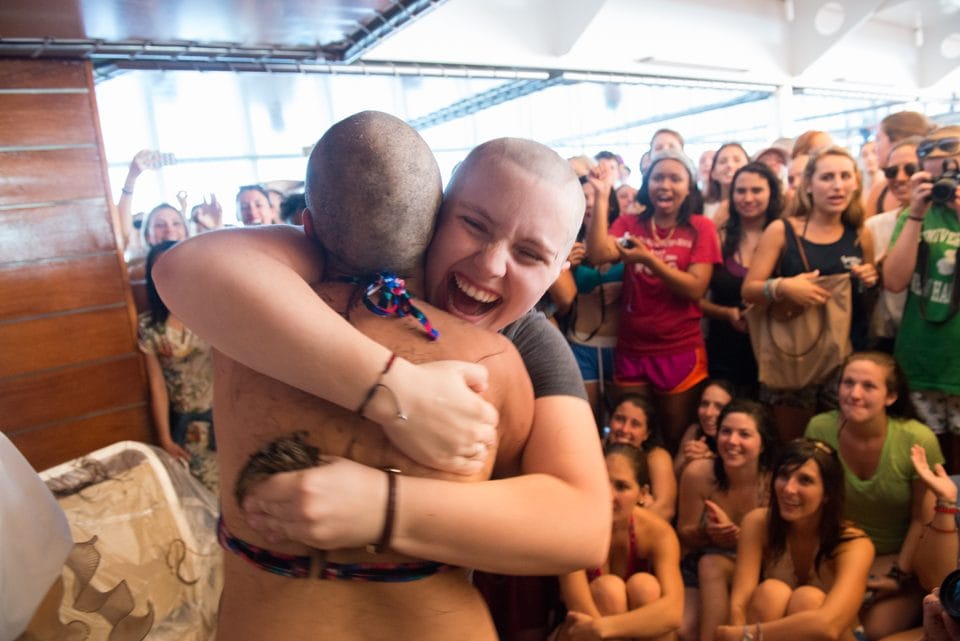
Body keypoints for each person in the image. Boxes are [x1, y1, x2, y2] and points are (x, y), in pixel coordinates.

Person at [156, 116, 610, 638]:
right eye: (474, 225)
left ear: (561, 269)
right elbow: (186, 268)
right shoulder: (323, 266)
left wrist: (380, 507)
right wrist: (397, 391)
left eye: (529, 255)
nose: (490, 265)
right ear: (437, 211)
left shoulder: (530, 343)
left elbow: (582, 525)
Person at [805, 352, 950, 640]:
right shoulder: (820, 428)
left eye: (869, 386)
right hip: (839, 553)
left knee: (876, 631)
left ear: (891, 396)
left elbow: (922, 518)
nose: (854, 394)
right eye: (848, 383)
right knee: (818, 615)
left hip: (898, 560)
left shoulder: (917, 439)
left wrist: (898, 574)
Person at [585, 148, 721, 452]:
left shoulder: (701, 227)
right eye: (658, 178)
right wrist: (600, 194)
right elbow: (598, 254)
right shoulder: (631, 224)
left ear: (689, 187)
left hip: (680, 351)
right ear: (647, 184)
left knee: (674, 439)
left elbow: (695, 289)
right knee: (632, 441)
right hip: (632, 350)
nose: (666, 185)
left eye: (675, 178)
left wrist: (649, 259)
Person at [742, 146, 879, 441]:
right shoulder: (782, 231)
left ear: (856, 182)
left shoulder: (860, 233)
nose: (837, 185)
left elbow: (867, 304)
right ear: (808, 184)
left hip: (843, 358)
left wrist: (870, 280)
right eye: (827, 177)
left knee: (838, 446)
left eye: (845, 176)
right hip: (792, 357)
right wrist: (783, 287)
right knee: (792, 445)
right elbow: (750, 290)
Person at [714, 438, 875, 641]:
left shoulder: (855, 544)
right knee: (771, 593)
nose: (789, 489)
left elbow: (828, 626)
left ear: (828, 493)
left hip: (842, 636)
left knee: (807, 599)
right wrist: (736, 633)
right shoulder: (757, 523)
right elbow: (740, 604)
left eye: (805, 480)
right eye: (783, 475)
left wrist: (744, 634)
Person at [883, 125, 960, 473]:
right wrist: (915, 212)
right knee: (926, 470)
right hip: (920, 362)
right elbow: (895, 281)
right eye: (931, 160)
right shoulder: (914, 214)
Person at [554, 443, 683, 641]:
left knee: (645, 587)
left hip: (602, 631)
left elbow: (673, 612)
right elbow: (578, 608)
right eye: (602, 482)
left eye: (621, 487)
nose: (609, 494)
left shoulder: (658, 533)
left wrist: (603, 628)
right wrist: (600, 630)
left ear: (643, 494)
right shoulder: (573, 527)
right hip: (577, 631)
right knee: (609, 590)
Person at [676, 400, 778, 641]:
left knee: (712, 565)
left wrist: (743, 539)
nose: (732, 441)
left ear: (763, 443)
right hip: (701, 559)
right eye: (726, 431)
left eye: (744, 434)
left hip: (760, 565)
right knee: (683, 629)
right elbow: (684, 531)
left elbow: (783, 546)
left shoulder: (777, 481)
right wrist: (709, 533)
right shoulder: (699, 473)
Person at [138, 240, 217, 491]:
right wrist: (164, 438)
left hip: (220, 418)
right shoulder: (149, 326)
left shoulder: (212, 312)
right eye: (160, 268)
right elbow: (157, 386)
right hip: (184, 426)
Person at [550, 156, 622, 428]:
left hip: (619, 345)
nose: (589, 202)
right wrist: (562, 260)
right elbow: (565, 300)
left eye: (594, 196)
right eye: (583, 197)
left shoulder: (623, 236)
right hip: (581, 342)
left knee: (621, 423)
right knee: (587, 423)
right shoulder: (565, 240)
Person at [701, 162, 782, 397]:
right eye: (740, 191)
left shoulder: (786, 237)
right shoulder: (719, 237)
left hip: (773, 347)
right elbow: (694, 299)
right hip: (724, 346)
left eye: (756, 191)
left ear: (771, 193)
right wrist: (725, 313)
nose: (748, 198)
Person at [864, 137, 922, 352]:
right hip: (886, 337)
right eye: (891, 171)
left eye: (910, 169)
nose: (900, 178)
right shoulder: (873, 227)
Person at [605, 394, 677, 522]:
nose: (625, 429)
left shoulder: (656, 457)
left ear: (647, 434)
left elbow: (665, 509)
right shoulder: (593, 448)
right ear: (609, 421)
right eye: (620, 419)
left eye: (635, 424)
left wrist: (626, 529)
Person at [866, 111, 935, 218]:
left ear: (897, 140)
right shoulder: (879, 190)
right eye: (892, 172)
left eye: (878, 139)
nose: (875, 148)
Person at [674, 379, 735, 476]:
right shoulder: (695, 431)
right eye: (705, 404)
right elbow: (675, 478)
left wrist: (709, 460)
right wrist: (688, 461)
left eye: (719, 406)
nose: (708, 413)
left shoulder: (737, 439)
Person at [703, 143, 750, 221]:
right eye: (722, 161)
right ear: (713, 173)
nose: (730, 165)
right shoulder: (704, 208)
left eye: (737, 160)